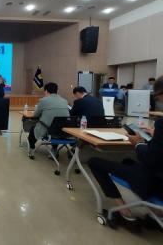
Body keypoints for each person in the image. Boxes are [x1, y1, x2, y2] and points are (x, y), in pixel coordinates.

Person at [88, 75, 163, 223]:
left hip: (155, 183)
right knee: (127, 161)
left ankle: (124, 211)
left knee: (94, 162)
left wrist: (138, 143)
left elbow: (150, 159)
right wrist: (155, 134)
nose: (159, 102)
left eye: (158, 98)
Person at [27, 82, 70, 154]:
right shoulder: (64, 101)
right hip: (62, 131)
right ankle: (54, 149)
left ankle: (31, 148)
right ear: (57, 91)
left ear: (46, 91)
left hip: (48, 130)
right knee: (55, 126)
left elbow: (36, 115)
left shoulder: (43, 100)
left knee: (33, 129)